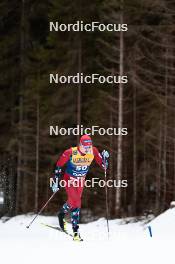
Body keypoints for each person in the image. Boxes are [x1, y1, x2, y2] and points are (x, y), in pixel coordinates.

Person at [51, 134, 109, 241]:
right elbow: (59, 166)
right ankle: (76, 232)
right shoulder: (70, 152)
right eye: (85, 147)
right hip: (69, 180)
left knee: (72, 202)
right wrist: (56, 181)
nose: (88, 149)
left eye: (89, 147)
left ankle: (61, 214)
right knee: (77, 202)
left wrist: (105, 159)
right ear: (80, 145)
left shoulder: (93, 151)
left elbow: (104, 166)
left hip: (80, 181)